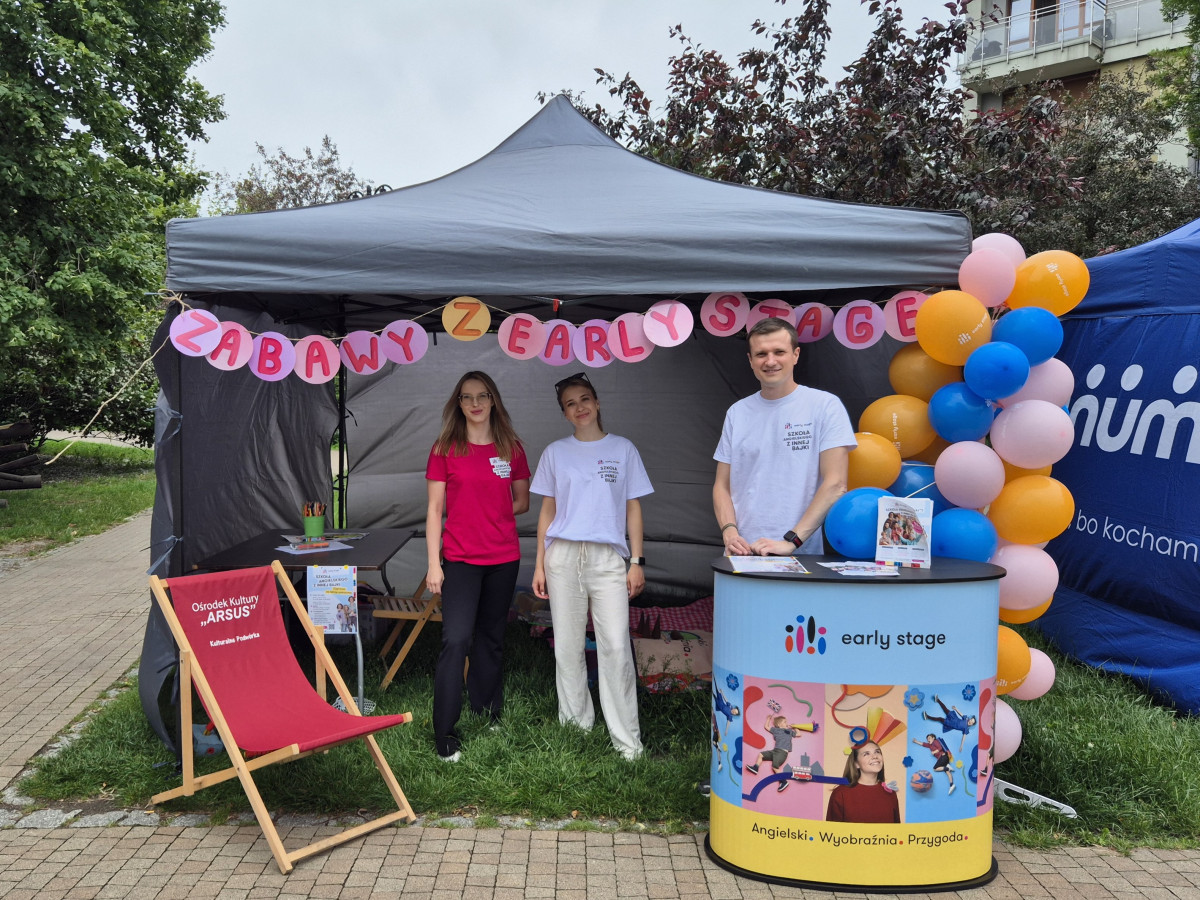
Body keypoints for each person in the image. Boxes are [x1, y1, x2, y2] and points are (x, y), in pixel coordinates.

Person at [531, 372, 653, 761]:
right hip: (563, 555)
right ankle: (576, 728)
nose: (579, 407)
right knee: (567, 646)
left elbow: (633, 507)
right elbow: (547, 512)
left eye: (585, 399)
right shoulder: (555, 452)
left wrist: (636, 561)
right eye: (570, 404)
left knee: (615, 644)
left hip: (608, 558)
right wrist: (539, 565)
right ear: (564, 413)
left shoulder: (623, 449)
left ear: (597, 403)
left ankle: (627, 741)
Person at [426, 371, 530, 762]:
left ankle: (486, 710)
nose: (475, 403)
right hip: (460, 560)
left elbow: (522, 502)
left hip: (503, 558)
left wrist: (490, 512)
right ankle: (445, 732)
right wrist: (434, 564)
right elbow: (435, 510)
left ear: (493, 400)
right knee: (456, 639)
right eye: (467, 397)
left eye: (483, 396)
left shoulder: (511, 448)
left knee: (491, 637)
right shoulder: (444, 448)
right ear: (458, 403)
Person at [713, 318, 857, 557]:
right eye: (761, 354)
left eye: (779, 352)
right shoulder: (737, 412)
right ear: (750, 360)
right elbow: (722, 485)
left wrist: (792, 541)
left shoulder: (825, 406)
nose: (770, 361)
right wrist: (730, 532)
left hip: (799, 556)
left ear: (795, 355)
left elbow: (836, 484)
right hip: (742, 554)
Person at [826, 741, 902, 823]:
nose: (874, 756)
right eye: (866, 754)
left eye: (877, 752)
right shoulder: (840, 793)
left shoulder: (891, 793)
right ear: (856, 764)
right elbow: (831, 830)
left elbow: (896, 829)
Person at [745, 714, 800, 792]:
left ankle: (784, 781)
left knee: (775, 767)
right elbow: (766, 727)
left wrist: (795, 727)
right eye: (785, 722)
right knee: (761, 754)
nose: (786, 723)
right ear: (779, 724)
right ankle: (756, 768)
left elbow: (799, 734)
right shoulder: (775, 730)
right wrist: (768, 719)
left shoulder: (789, 731)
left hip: (782, 752)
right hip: (775, 751)